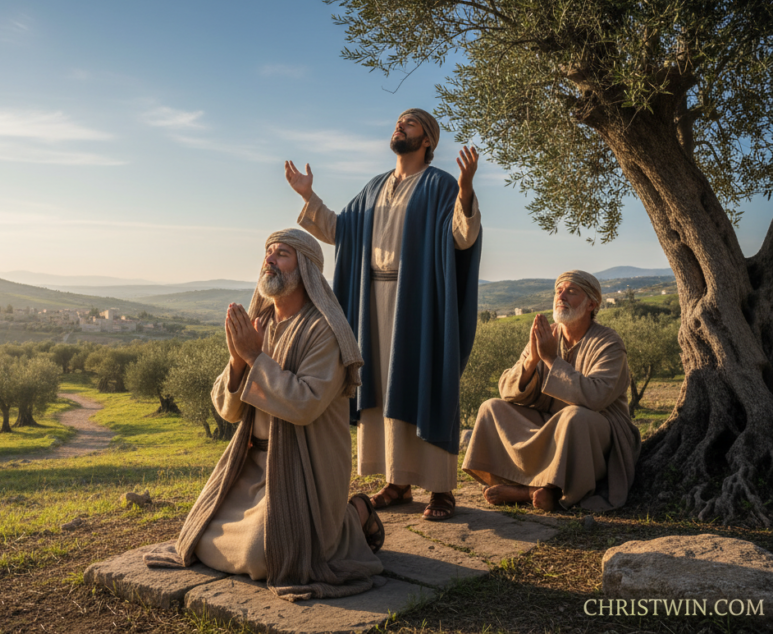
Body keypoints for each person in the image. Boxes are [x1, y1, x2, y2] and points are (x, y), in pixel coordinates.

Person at [145, 228, 384, 601]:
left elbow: (303, 405)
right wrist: (237, 361)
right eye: (268, 253)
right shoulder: (260, 325)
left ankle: (354, 514)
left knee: (265, 557)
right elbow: (228, 411)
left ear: (305, 269)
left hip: (303, 469)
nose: (269, 259)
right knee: (199, 539)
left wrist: (255, 357)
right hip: (252, 466)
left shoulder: (325, 332)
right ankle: (344, 518)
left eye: (282, 254)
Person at [286, 108, 482, 521]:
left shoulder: (440, 185)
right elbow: (342, 231)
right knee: (382, 386)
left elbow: (462, 238)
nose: (399, 127)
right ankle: (396, 481)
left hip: (420, 299)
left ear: (427, 140)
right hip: (371, 297)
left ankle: (442, 489)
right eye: (398, 123)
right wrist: (308, 197)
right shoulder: (374, 188)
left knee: (423, 382)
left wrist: (465, 190)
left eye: (409, 124)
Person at [462, 270, 642, 511]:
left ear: (592, 304)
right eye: (558, 290)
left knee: (573, 417)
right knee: (492, 407)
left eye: (571, 291)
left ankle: (543, 492)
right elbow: (507, 389)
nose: (561, 296)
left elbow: (596, 398)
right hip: (550, 422)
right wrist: (531, 360)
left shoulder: (608, 343)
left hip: (597, 432)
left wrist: (549, 359)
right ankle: (521, 484)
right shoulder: (548, 335)